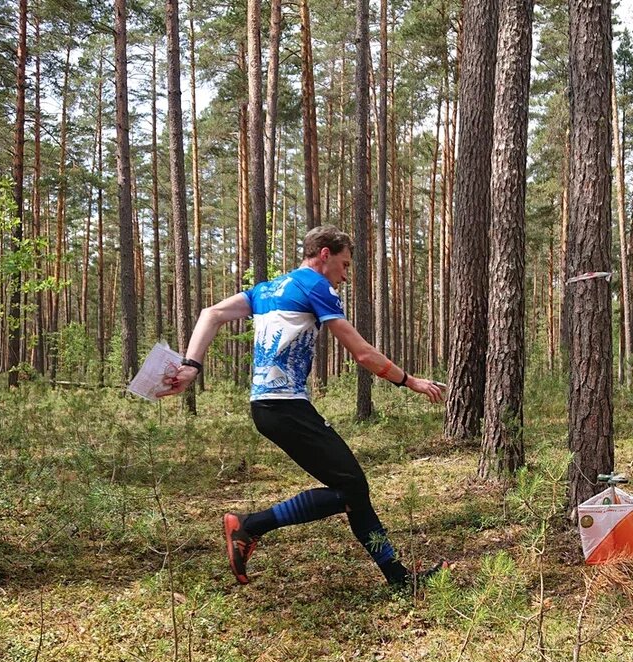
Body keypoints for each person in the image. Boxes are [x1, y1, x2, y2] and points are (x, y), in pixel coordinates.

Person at [156, 225, 447, 592]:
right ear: (323, 255)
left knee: (352, 488)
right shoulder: (316, 286)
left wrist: (192, 366)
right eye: (343, 264)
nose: (344, 275)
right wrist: (411, 381)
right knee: (352, 487)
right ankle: (251, 525)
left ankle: (399, 578)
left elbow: (210, 313)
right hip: (286, 407)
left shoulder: (267, 289)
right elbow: (362, 353)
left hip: (268, 408)